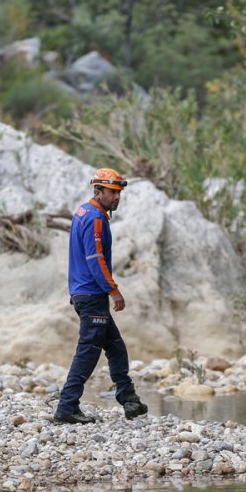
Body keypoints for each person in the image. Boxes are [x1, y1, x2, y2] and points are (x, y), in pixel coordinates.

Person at [54, 168, 148, 424]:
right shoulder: (95, 217)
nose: (116, 197)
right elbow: (95, 259)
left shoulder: (82, 211)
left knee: (116, 348)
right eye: (112, 192)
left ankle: (130, 400)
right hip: (92, 294)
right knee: (88, 352)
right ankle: (66, 407)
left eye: (118, 193)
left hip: (82, 292)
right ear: (98, 191)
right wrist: (113, 290)